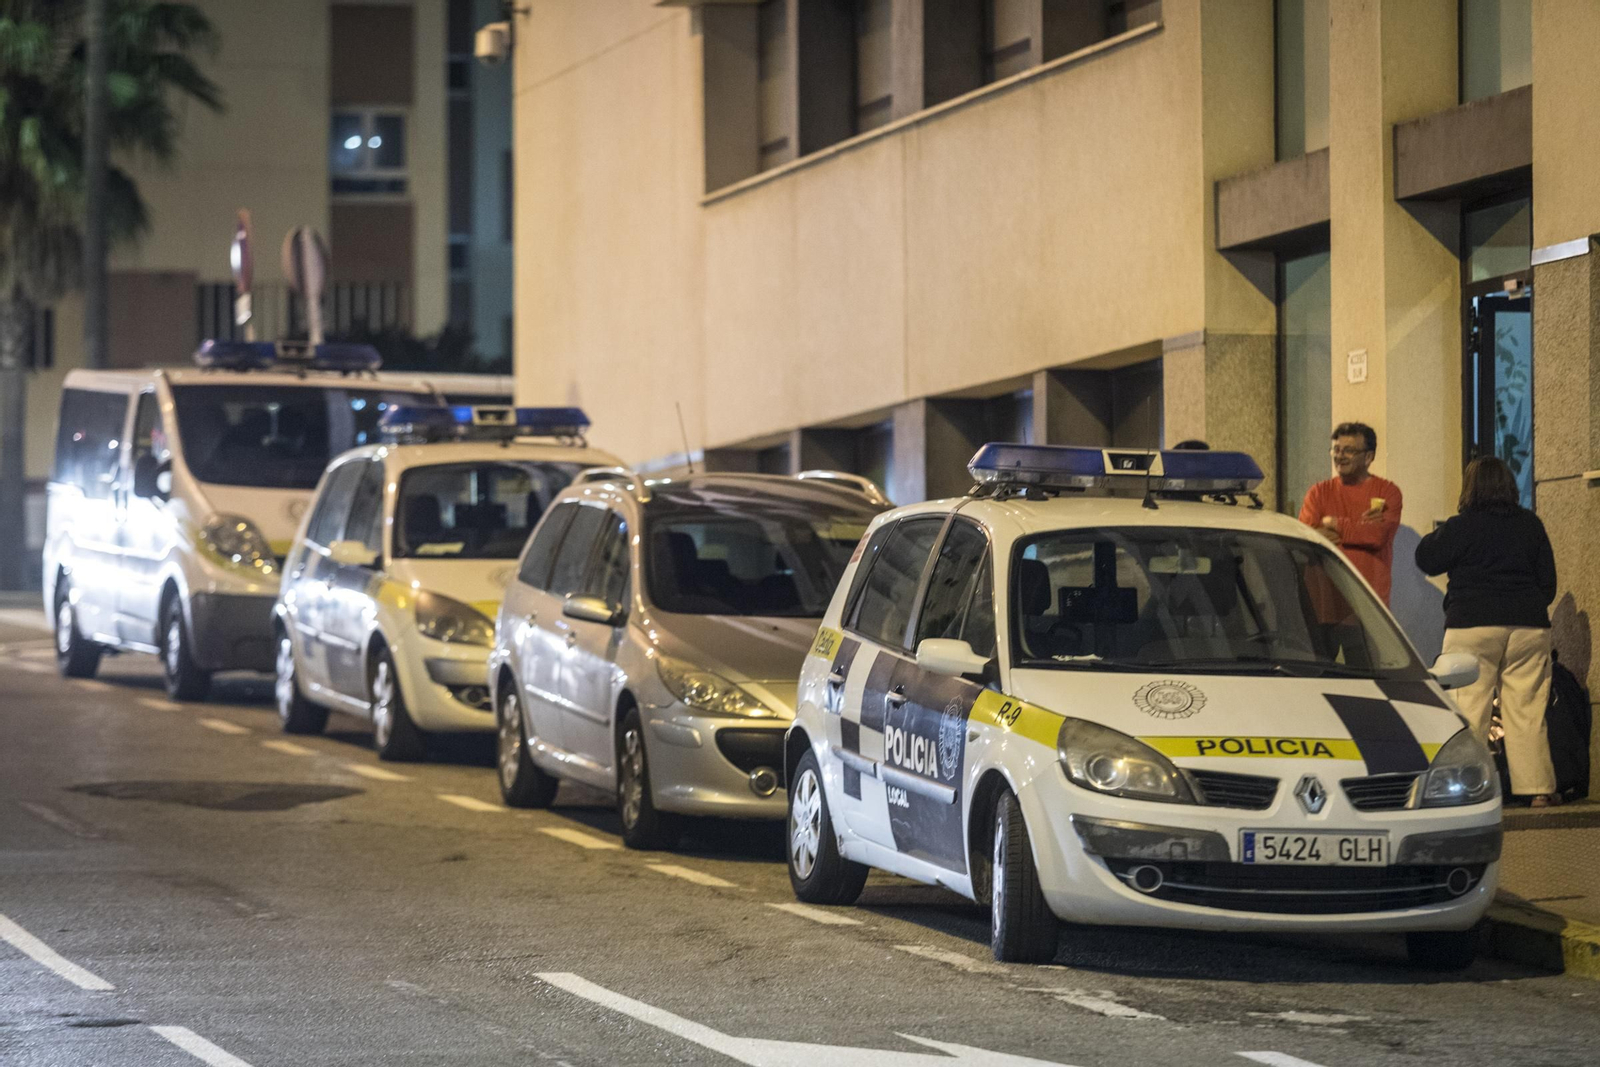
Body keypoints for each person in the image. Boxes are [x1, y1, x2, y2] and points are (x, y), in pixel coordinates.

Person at [1415, 456, 1560, 806]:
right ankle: (1537, 790)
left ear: (1470, 488)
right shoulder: (1531, 525)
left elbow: (1425, 558)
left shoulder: (1462, 526)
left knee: (1469, 708)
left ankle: (1468, 788)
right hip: (1528, 626)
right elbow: (1548, 584)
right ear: (1509, 487)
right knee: (1527, 709)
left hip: (1472, 626)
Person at [1298, 422, 1403, 603]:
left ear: (1368, 456)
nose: (1340, 456)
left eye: (1349, 451)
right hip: (1324, 603)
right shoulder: (1318, 492)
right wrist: (1360, 529)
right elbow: (1307, 540)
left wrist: (1335, 524)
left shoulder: (1387, 492)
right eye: (1336, 450)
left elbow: (1377, 536)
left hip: (1369, 604)